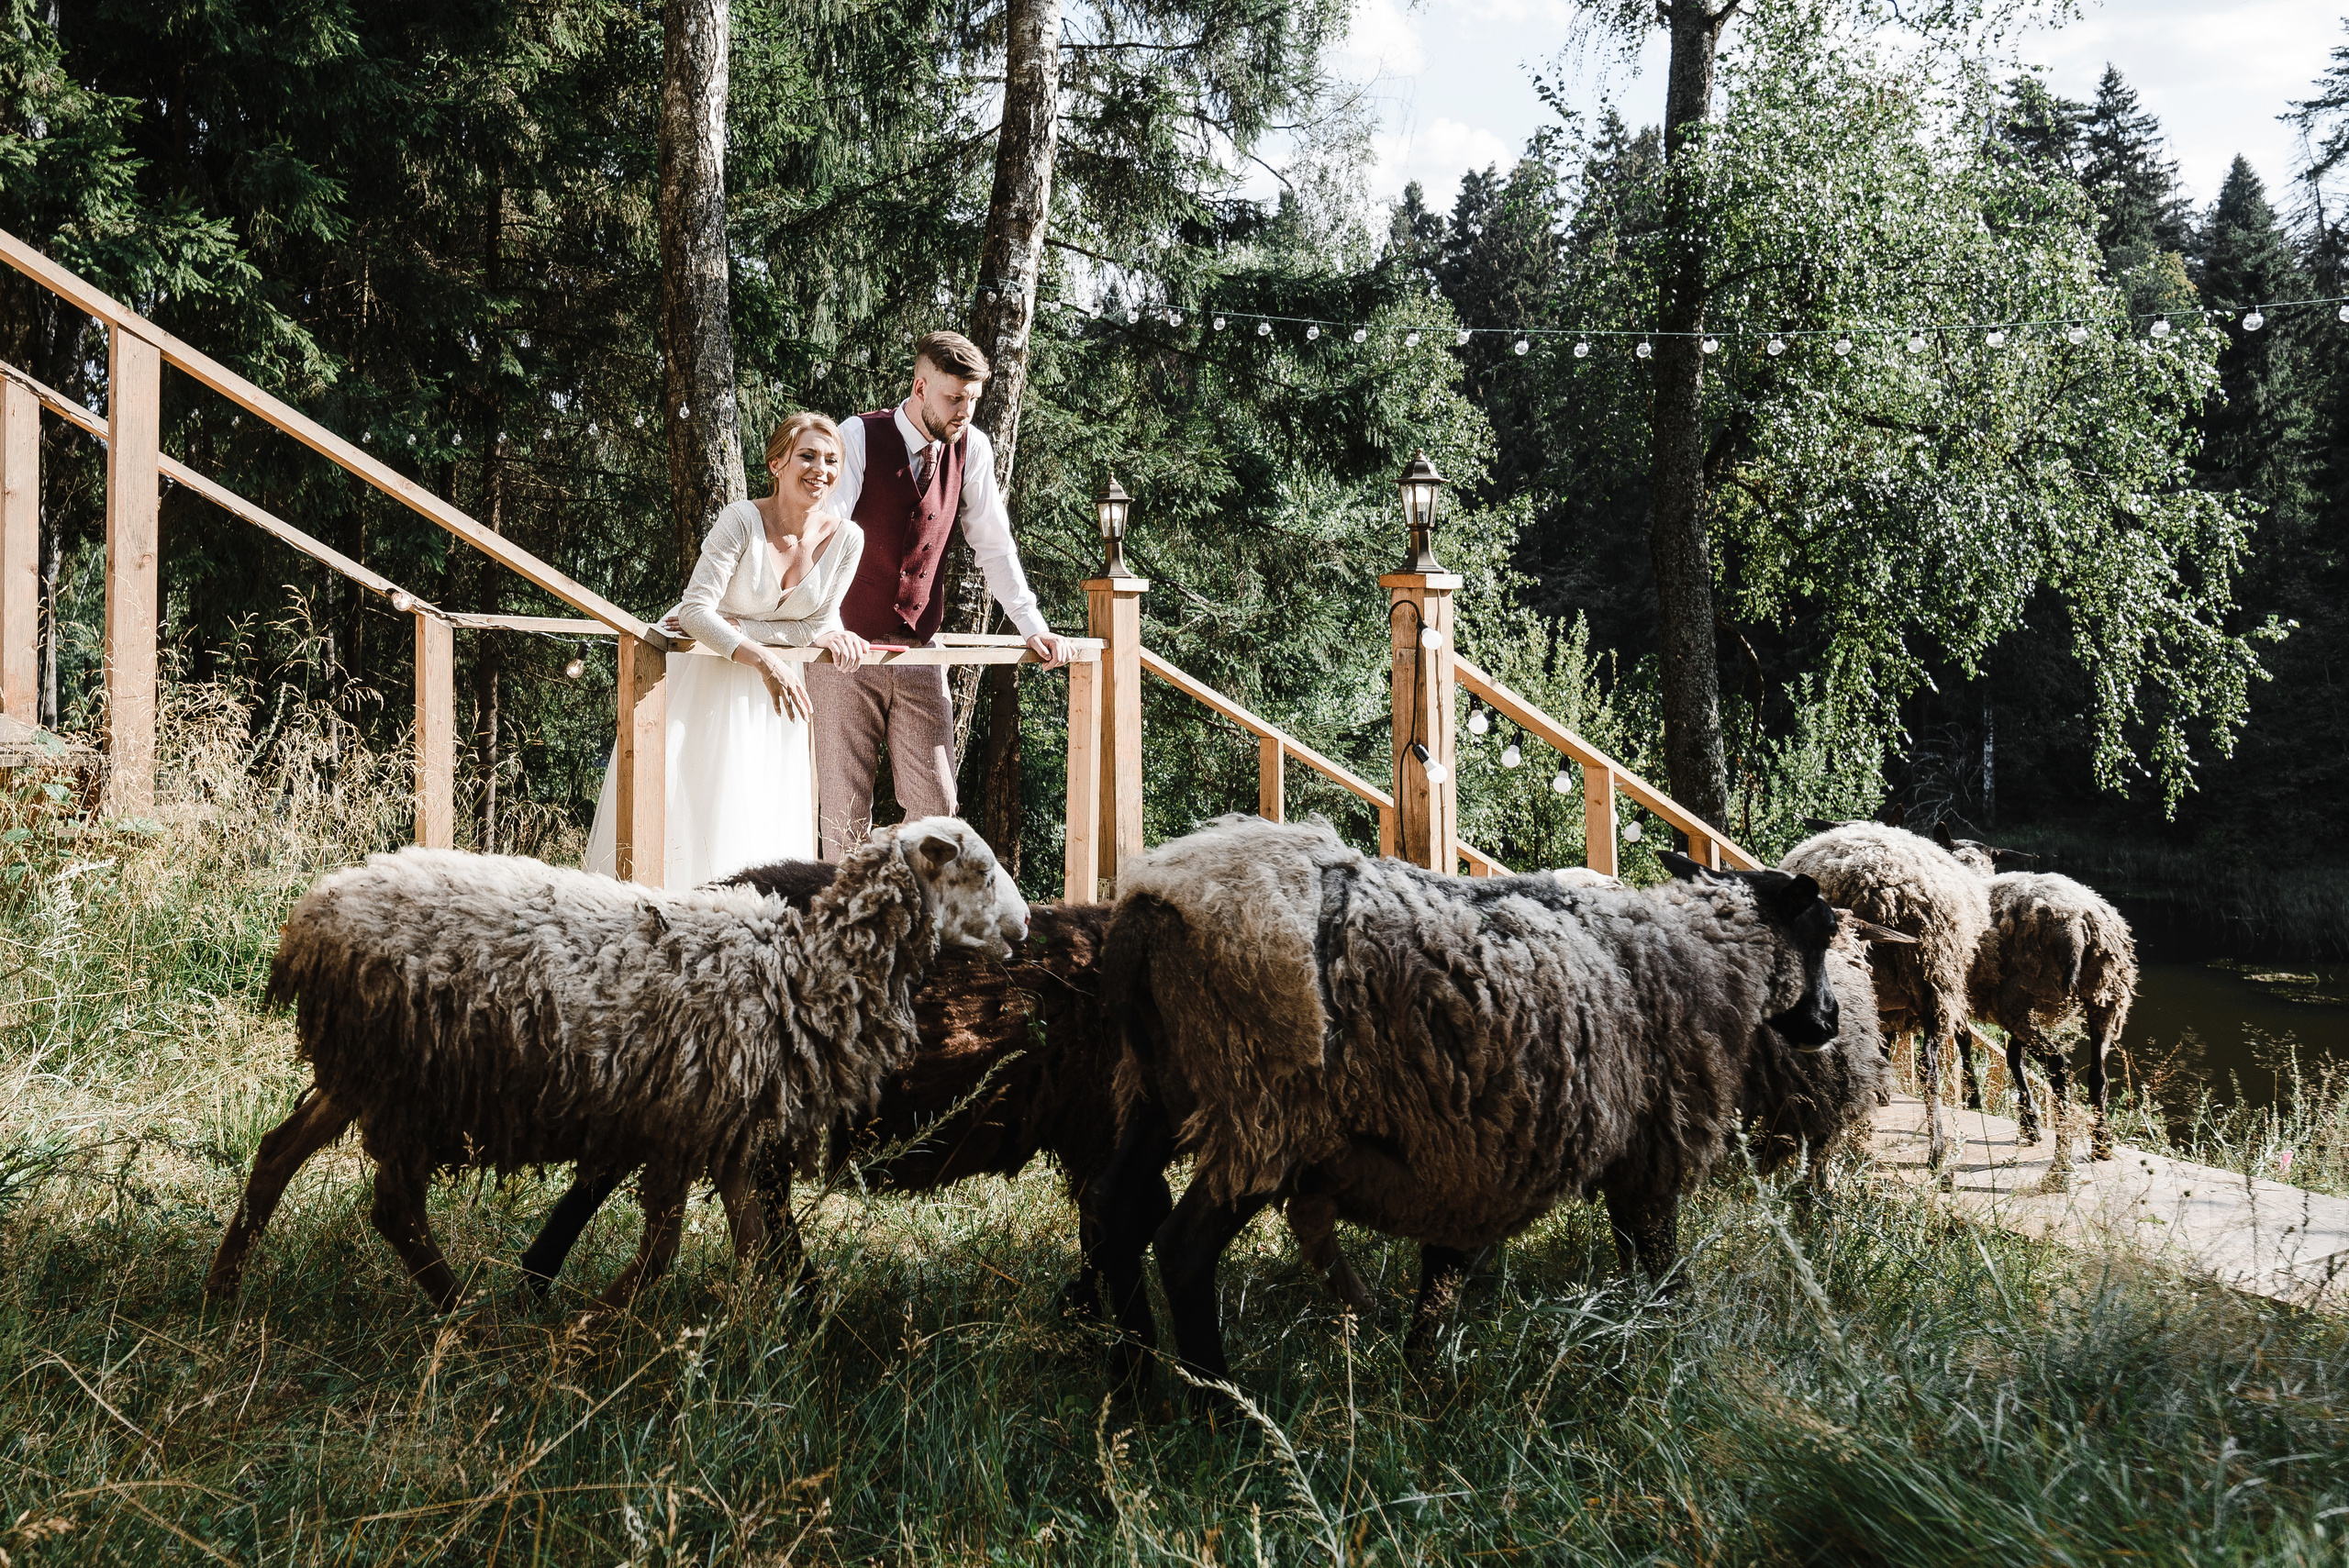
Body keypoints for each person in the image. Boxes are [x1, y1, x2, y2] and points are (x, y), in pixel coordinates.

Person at [812, 329, 1075, 860]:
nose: (965, 412)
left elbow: (994, 546)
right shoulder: (859, 436)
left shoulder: (972, 448)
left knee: (938, 803)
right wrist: (828, 626)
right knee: (843, 808)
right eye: (955, 398)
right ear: (920, 387)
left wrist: (1033, 625)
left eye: (973, 400)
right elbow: (823, 532)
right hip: (843, 648)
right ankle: (842, 930)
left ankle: (922, 925)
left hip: (918, 649)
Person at [585, 413, 868, 884]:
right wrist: (763, 655)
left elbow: (817, 623)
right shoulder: (740, 520)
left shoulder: (847, 540)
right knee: (692, 808)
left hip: (774, 701)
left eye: (832, 459)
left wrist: (747, 629)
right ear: (777, 463)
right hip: (706, 680)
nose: (821, 468)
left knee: (755, 814)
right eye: (808, 456)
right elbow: (695, 613)